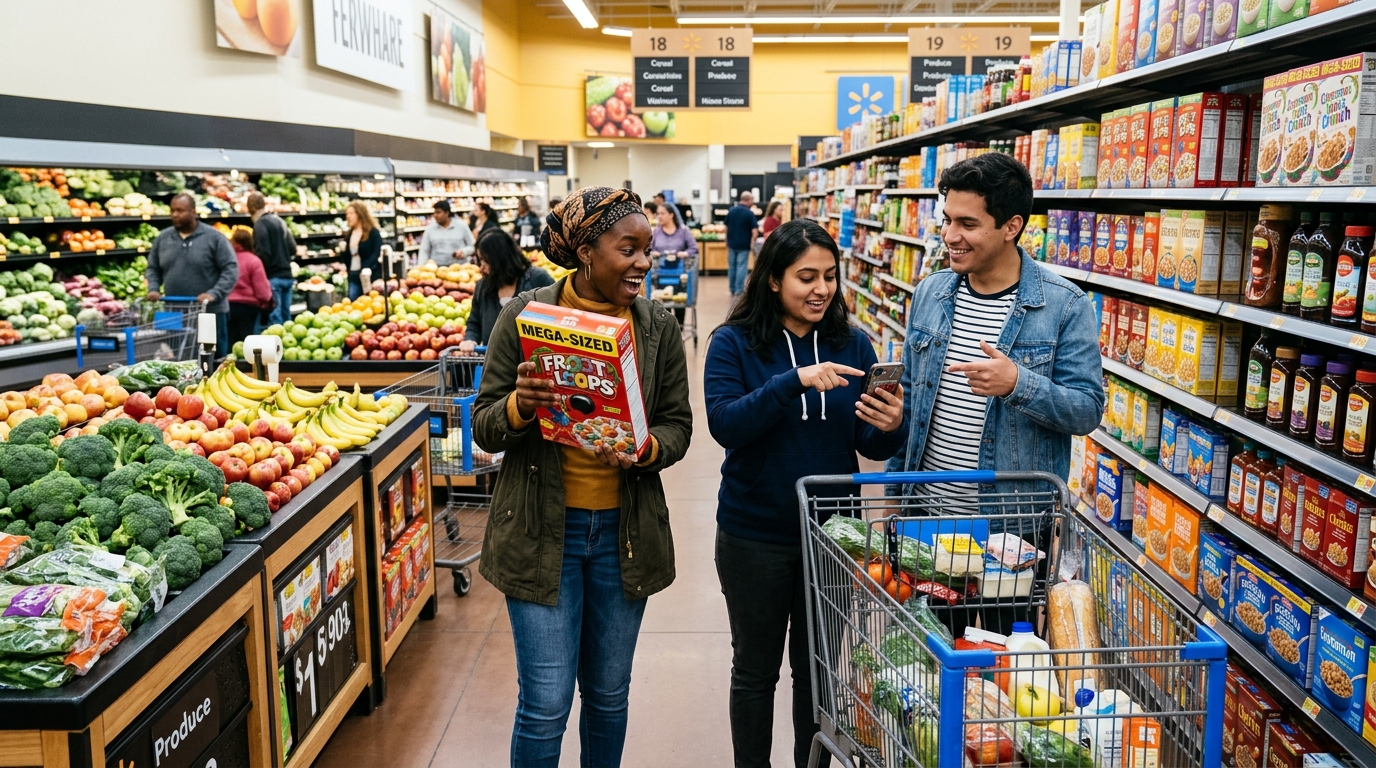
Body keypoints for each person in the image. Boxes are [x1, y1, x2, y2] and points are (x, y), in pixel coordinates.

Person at [472, 187, 693, 768]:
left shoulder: (657, 327)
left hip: (624, 536)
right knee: (545, 702)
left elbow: (678, 426)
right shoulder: (525, 315)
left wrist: (646, 450)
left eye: (648, 250)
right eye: (629, 249)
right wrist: (521, 406)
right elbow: (484, 426)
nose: (645, 262)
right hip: (542, 535)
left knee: (608, 695)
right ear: (587, 252)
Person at [704, 218, 906, 768]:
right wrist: (790, 382)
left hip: (834, 535)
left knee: (816, 671)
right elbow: (726, 424)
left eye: (830, 277)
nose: (821, 289)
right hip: (755, 533)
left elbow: (869, 441)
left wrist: (891, 423)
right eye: (805, 277)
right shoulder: (734, 343)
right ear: (773, 279)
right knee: (755, 670)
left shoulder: (853, 343)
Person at [886, 152, 1104, 634]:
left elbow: (1087, 408)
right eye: (947, 220)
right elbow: (912, 402)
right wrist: (892, 497)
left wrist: (1018, 385)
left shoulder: (1064, 306)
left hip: (1014, 531)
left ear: (1011, 226)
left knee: (1009, 669)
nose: (950, 236)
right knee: (928, 662)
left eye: (968, 223)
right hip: (930, 523)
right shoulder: (931, 293)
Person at [146, 192, 239, 356]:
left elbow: (231, 268)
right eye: (172, 210)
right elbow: (153, 268)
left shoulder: (214, 237)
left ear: (193, 212)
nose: (175, 215)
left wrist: (214, 293)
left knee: (212, 359)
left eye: (180, 211)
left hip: (209, 312)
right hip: (174, 311)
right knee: (179, 360)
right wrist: (153, 288)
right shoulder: (163, 238)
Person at [459, 229, 555, 351]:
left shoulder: (537, 279)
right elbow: (474, 323)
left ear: (500, 259)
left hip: (535, 359)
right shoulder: (483, 286)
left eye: (485, 260)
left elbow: (558, 315)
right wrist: (470, 339)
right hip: (495, 362)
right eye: (480, 260)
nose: (481, 266)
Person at [246, 191, 297, 327]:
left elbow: (264, 254)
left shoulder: (260, 225)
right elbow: (292, 248)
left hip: (272, 278)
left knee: (275, 320)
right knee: (287, 318)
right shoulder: (279, 221)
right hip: (287, 275)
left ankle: (278, 347)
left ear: (250, 208)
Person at [225, 226, 274, 349]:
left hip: (227, 306)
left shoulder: (227, 260)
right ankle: (248, 366)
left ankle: (229, 365)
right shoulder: (254, 261)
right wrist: (266, 302)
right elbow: (262, 291)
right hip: (248, 308)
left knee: (230, 340)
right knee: (248, 342)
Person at [344, 200, 382, 300]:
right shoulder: (349, 234)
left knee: (371, 302)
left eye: (351, 213)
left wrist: (365, 267)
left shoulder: (373, 233)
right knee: (353, 300)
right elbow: (348, 257)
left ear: (360, 214)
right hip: (353, 275)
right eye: (347, 213)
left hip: (370, 277)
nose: (348, 216)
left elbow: (376, 253)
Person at [419, 200, 475, 266]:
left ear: (446, 213)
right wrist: (421, 267)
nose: (435, 215)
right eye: (434, 213)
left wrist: (464, 252)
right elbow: (424, 251)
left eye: (438, 212)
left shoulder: (461, 226)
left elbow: (473, 246)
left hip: (459, 269)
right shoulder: (430, 229)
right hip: (437, 270)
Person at [724, 191, 759, 296]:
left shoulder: (732, 211)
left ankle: (732, 288)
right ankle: (739, 289)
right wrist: (752, 242)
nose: (753, 202)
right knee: (741, 266)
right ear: (748, 200)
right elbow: (755, 231)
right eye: (752, 200)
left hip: (732, 244)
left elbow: (726, 227)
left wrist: (726, 240)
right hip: (744, 245)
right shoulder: (749, 213)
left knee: (732, 266)